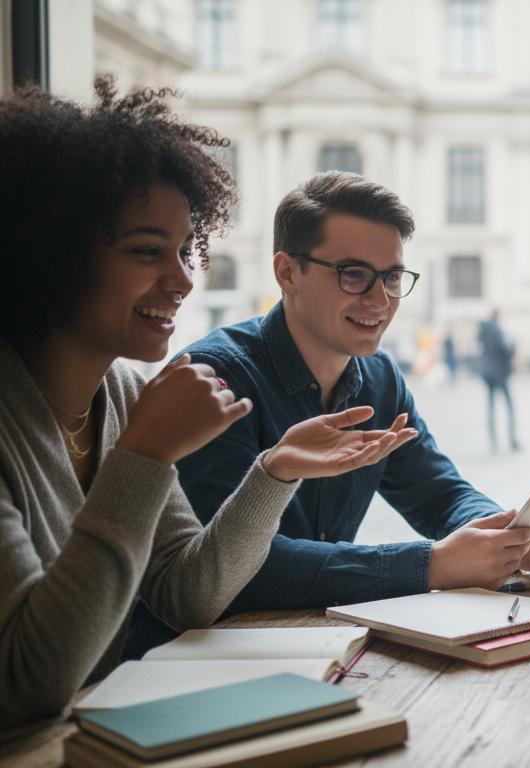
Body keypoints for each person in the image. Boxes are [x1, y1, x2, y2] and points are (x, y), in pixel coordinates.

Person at [0, 81, 414, 726]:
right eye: (146, 251)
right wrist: (143, 454)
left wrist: (274, 474)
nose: (184, 278)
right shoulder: (114, 415)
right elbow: (31, 684)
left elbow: (186, 597)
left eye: (182, 249)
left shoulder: (126, 394)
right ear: (45, 251)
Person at [127, 173, 530, 655]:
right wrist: (432, 564)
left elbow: (436, 490)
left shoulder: (380, 377)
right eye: (354, 274)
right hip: (188, 661)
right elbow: (236, 572)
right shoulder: (214, 380)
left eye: (393, 277)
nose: (380, 300)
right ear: (287, 272)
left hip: (315, 647)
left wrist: (505, 534)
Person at [477, 308, 520, 452]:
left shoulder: (483, 330)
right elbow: (504, 349)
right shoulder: (497, 330)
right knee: (509, 407)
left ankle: (493, 442)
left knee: (491, 407)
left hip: (488, 373)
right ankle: (512, 440)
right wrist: (514, 346)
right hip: (500, 373)